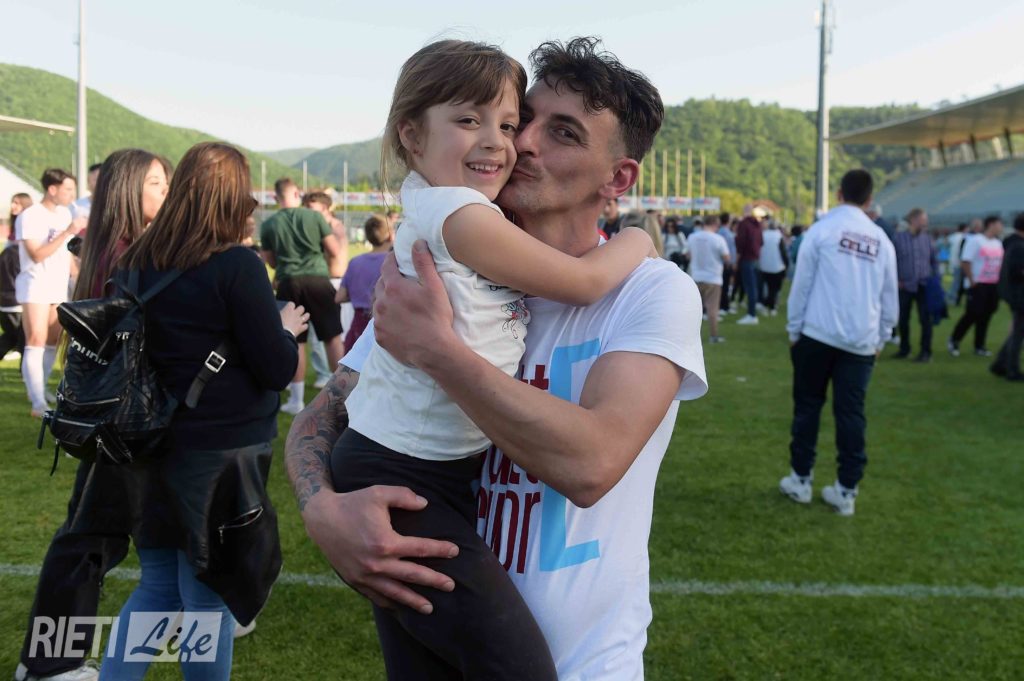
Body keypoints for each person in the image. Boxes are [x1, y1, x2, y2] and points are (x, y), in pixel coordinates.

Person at [286, 36, 706, 681]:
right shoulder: (448, 275)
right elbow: (324, 416)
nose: (522, 143)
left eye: (561, 132)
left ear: (618, 178)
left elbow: (591, 463)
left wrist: (439, 351)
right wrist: (321, 511)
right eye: (524, 120)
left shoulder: (652, 292)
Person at [97, 142, 305, 681]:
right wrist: (285, 330)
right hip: (219, 457)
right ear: (234, 198)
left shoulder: (135, 263)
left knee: (158, 587)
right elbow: (276, 368)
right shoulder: (236, 265)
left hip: (145, 445)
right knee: (207, 600)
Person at [14, 150, 170, 681]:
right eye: (156, 183)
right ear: (129, 189)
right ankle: (49, 663)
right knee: (89, 539)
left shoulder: (113, 248)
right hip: (119, 419)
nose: (166, 192)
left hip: (109, 416)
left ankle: (49, 660)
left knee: (94, 535)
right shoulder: (126, 256)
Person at [780, 169, 898, 516]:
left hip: (816, 334)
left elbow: (802, 284)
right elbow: (890, 297)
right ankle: (847, 489)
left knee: (807, 407)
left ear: (839, 193)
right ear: (870, 200)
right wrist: (882, 337)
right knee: (851, 414)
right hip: (861, 342)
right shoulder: (881, 241)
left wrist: (794, 330)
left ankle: (801, 479)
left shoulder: (822, 231)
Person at [260, 178, 345, 414]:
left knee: (296, 340)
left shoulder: (268, 225)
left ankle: (296, 400)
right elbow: (334, 250)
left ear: (276, 197)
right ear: (297, 194)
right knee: (332, 338)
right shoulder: (314, 217)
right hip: (318, 280)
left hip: (288, 282)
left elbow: (271, 262)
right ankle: (344, 395)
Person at [15, 169, 86, 417]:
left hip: (57, 285)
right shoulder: (30, 215)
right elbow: (36, 254)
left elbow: (66, 254)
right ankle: (37, 403)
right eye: (68, 189)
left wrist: (78, 277)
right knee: (35, 339)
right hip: (35, 284)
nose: (71, 195)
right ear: (52, 189)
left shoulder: (65, 214)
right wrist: (68, 231)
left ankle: (40, 389)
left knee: (52, 341)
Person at [302, 190, 348, 388]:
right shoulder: (324, 226)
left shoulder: (333, 226)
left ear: (324, 208)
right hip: (327, 281)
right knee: (321, 335)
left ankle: (332, 377)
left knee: (331, 335)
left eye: (311, 207)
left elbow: (335, 253)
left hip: (333, 282)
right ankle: (327, 375)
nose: (307, 211)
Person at [949, 215, 1005, 357]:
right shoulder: (975, 241)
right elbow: (965, 261)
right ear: (991, 224)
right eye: (999, 224)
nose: (1001, 227)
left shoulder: (997, 243)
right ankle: (955, 339)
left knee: (986, 315)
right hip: (978, 284)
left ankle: (979, 345)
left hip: (993, 284)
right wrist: (971, 280)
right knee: (972, 313)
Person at [336, 213, 392, 353]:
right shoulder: (393, 261)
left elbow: (340, 296)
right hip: (385, 325)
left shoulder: (355, 262)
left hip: (358, 327)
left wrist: (358, 293)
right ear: (390, 235)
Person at [893, 208, 938, 362]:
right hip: (904, 285)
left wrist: (935, 279)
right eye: (923, 220)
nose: (925, 223)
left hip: (924, 285)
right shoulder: (899, 239)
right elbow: (892, 261)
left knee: (926, 320)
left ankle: (926, 351)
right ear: (913, 220)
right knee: (903, 319)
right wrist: (896, 280)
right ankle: (904, 349)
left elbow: (934, 260)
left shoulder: (927, 239)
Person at [688, 214, 730, 343]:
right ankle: (713, 335)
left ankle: (690, 336)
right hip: (713, 277)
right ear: (715, 224)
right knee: (712, 309)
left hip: (696, 276)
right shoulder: (718, 239)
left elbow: (688, 254)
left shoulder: (692, 237)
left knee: (694, 309)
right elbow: (726, 257)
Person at [992, 213, 1024, 381]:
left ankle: (1000, 363)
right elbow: (1017, 272)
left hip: (1014, 294)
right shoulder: (1019, 246)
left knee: (1018, 332)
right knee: (1018, 334)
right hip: (1020, 295)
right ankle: (1012, 370)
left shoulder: (1013, 243)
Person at [0, 219, 25, 359]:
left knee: (11, 337)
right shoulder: (22, 255)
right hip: (17, 303)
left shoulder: (5, 252)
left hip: (5, 302)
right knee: (21, 340)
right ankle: (25, 370)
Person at [735, 203, 763, 324]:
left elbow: (740, 243)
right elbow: (761, 242)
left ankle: (751, 315)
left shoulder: (744, 224)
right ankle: (752, 312)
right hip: (755, 258)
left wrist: (737, 259)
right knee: (753, 287)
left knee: (750, 287)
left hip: (747, 258)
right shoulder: (757, 224)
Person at [758, 220, 786, 315]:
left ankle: (766, 304)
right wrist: (786, 264)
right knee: (774, 288)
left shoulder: (763, 234)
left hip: (764, 265)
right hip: (776, 266)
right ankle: (771, 306)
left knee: (767, 287)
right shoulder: (778, 236)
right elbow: (783, 252)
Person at [718, 212, 737, 314]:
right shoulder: (724, 232)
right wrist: (730, 262)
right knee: (724, 285)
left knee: (725, 285)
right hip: (726, 263)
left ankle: (725, 305)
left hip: (726, 262)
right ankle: (723, 307)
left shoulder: (723, 231)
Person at [947, 223, 968, 304]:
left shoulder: (952, 237)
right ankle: (951, 297)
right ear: (964, 229)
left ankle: (951, 296)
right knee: (957, 282)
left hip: (953, 261)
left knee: (956, 281)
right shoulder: (964, 237)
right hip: (960, 262)